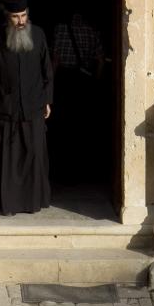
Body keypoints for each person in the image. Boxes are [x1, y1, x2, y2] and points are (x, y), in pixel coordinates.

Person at [0, 0, 53, 215]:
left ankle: (32, 203)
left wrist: (47, 101)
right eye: (15, 17)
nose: (20, 21)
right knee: (8, 160)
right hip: (6, 109)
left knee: (34, 155)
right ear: (8, 17)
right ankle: (10, 205)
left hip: (34, 106)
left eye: (23, 15)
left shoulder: (39, 35)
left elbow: (47, 71)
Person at [49, 11, 105, 183]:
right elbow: (100, 60)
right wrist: (96, 82)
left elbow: (55, 60)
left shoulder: (60, 29)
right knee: (81, 125)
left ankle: (61, 169)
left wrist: (49, 85)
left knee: (62, 125)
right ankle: (80, 170)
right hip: (83, 81)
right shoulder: (92, 31)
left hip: (65, 81)